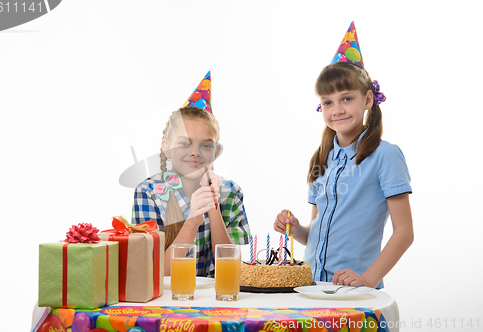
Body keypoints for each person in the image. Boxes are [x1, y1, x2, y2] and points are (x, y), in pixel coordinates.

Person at [273, 22, 413, 289]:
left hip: (354, 290)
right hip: (310, 285)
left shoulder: (386, 156)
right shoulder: (321, 159)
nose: (336, 109)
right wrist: (296, 229)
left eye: (346, 98)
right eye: (327, 102)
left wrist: (367, 279)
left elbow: (405, 233)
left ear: (368, 100)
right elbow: (314, 232)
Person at [132, 106, 250, 277]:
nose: (194, 152)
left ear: (216, 152)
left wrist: (213, 206)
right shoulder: (149, 193)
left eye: (206, 145)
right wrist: (192, 222)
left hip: (214, 298)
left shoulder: (230, 191)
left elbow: (231, 271)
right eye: (184, 143)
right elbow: (153, 274)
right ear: (166, 148)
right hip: (167, 299)